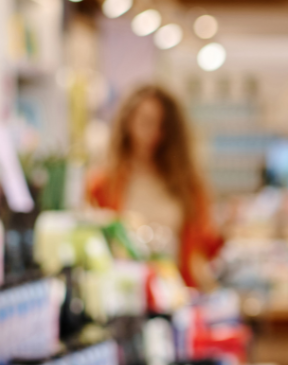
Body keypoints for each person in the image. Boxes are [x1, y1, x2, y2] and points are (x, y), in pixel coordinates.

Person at [87, 84, 223, 291]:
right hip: (124, 294)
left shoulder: (188, 185)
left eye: (160, 125)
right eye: (145, 121)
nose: (151, 133)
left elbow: (200, 252)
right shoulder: (102, 184)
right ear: (127, 121)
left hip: (176, 293)